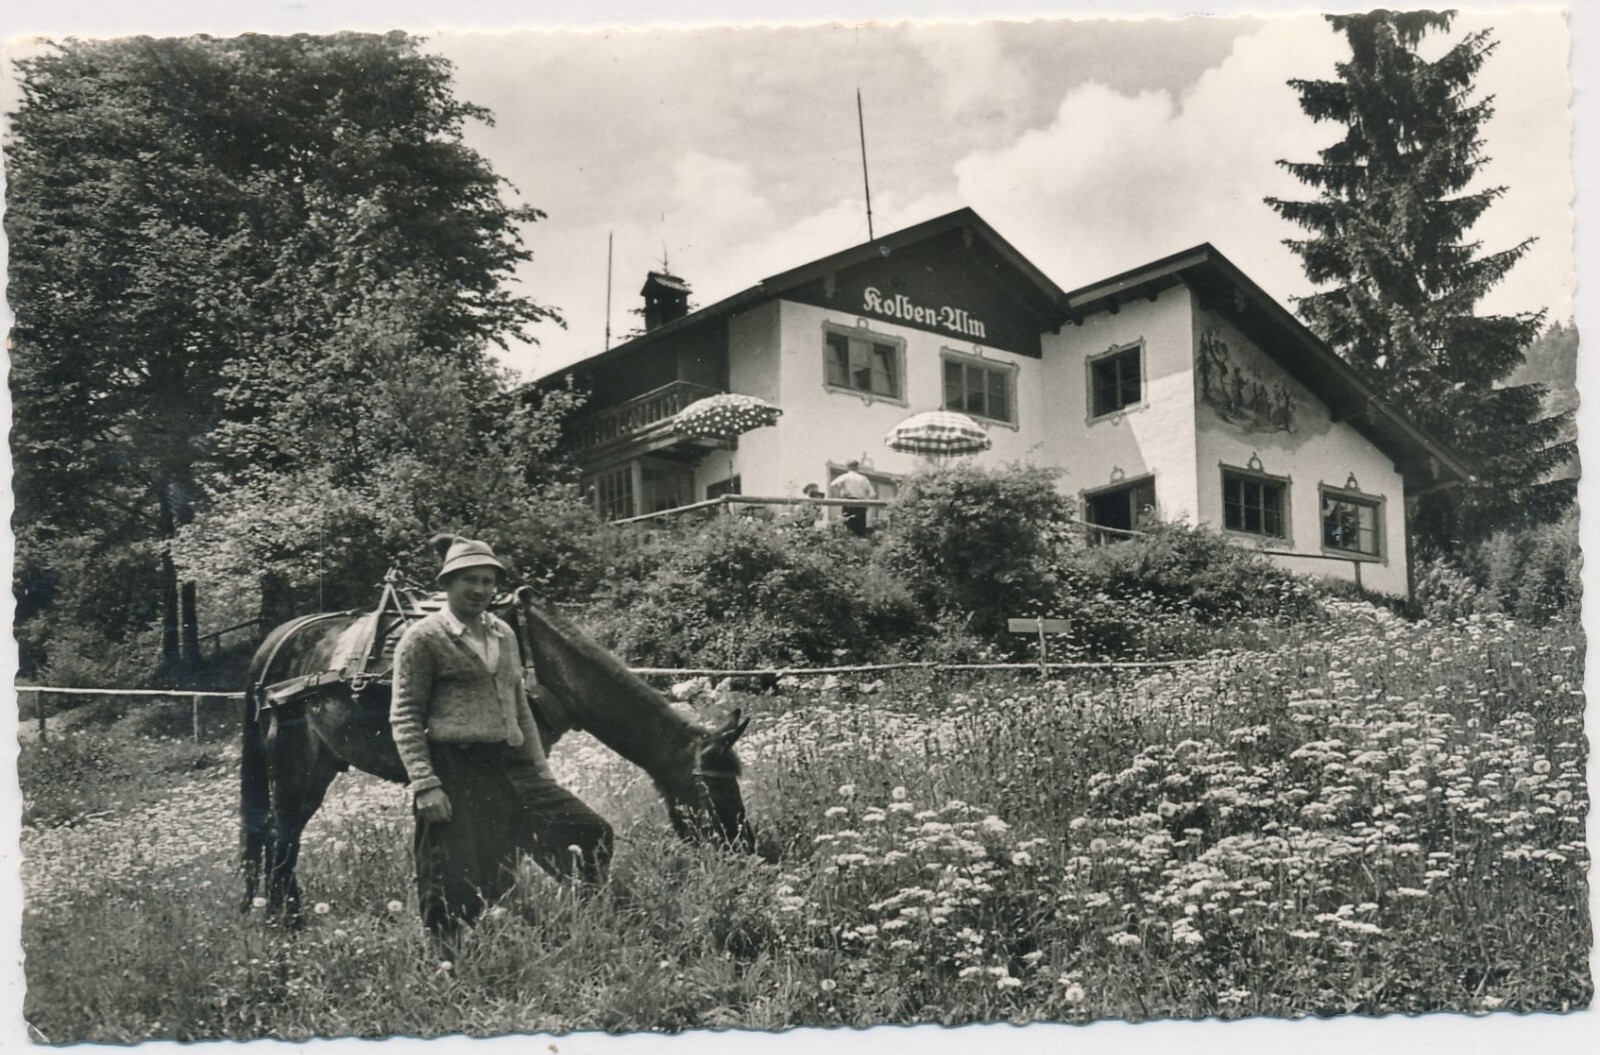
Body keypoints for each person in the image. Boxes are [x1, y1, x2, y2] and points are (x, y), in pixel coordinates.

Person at [390, 535, 613, 946]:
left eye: (488, 581)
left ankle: (585, 924)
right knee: (453, 875)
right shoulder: (423, 638)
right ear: (447, 583)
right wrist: (425, 784)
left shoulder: (504, 634)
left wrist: (540, 771)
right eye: (469, 580)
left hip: (511, 764)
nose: (479, 590)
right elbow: (404, 714)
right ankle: (448, 960)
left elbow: (520, 706)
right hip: (455, 766)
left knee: (590, 831)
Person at [828, 460, 877, 536]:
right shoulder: (863, 478)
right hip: (861, 504)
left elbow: (832, 485)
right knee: (860, 528)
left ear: (848, 467)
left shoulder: (845, 477)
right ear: (857, 467)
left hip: (848, 502)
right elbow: (872, 494)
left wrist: (838, 495)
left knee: (849, 526)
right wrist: (867, 500)